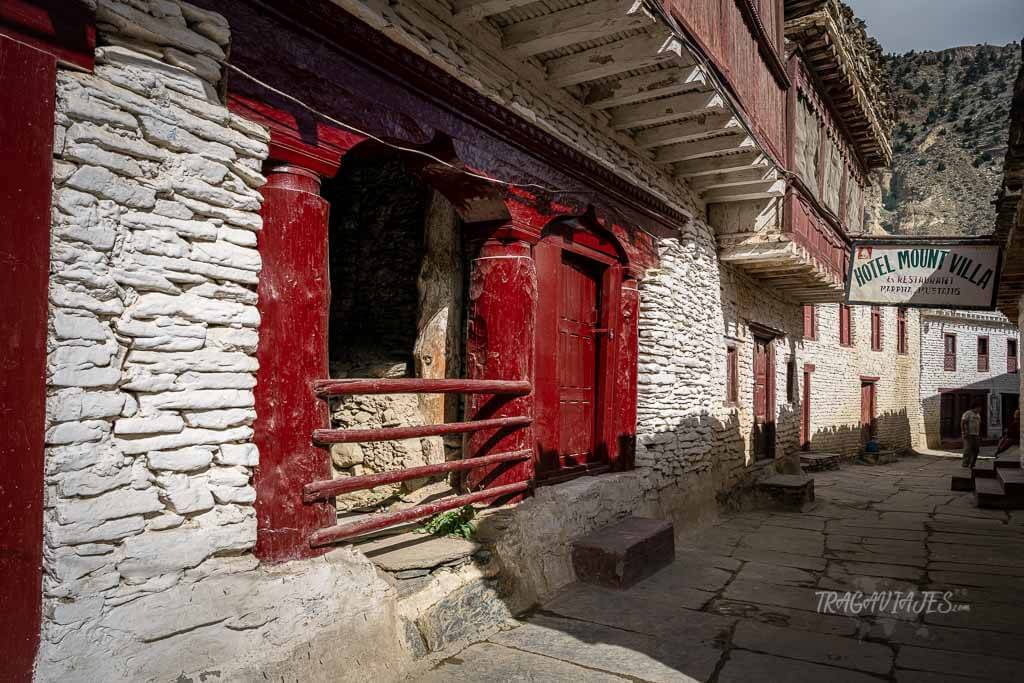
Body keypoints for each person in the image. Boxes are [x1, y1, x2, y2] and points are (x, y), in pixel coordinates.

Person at [961, 400, 983, 468]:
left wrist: (980, 434)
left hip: (976, 434)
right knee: (968, 449)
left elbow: (979, 424)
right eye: (979, 408)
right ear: (975, 407)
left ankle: (972, 463)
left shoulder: (978, 415)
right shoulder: (968, 413)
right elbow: (963, 422)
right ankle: (965, 463)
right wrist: (963, 432)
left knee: (976, 449)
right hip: (968, 434)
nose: (980, 409)